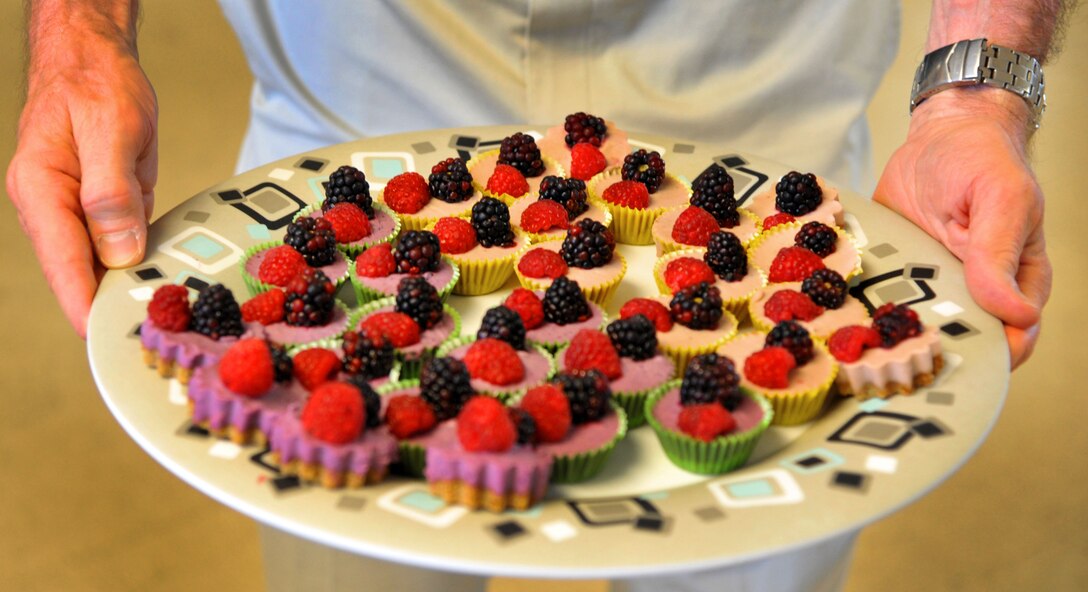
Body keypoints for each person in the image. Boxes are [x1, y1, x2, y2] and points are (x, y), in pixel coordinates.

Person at [6, 1, 1061, 590]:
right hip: (354, 104)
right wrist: (79, 36)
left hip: (753, 113)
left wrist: (976, 90)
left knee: (747, 556)